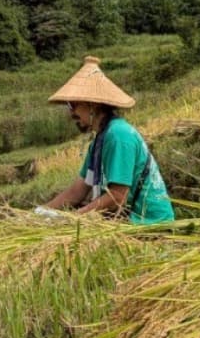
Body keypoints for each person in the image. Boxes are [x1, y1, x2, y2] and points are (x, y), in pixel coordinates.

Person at [40, 55, 174, 224]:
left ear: (92, 105)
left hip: (148, 225)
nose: (71, 113)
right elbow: (77, 191)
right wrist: (40, 212)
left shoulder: (118, 136)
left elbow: (117, 196)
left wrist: (75, 218)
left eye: (73, 105)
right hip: (125, 222)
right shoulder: (99, 141)